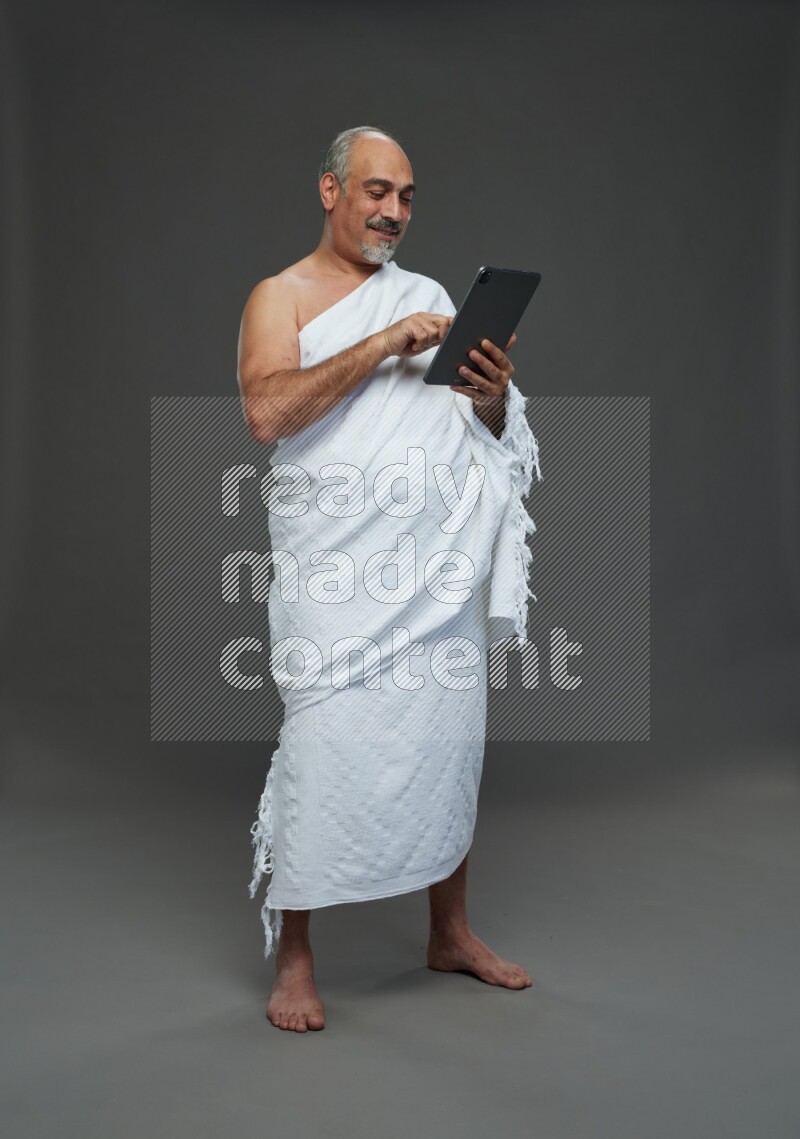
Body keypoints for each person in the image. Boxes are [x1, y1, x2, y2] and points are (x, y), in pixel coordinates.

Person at [237, 125, 541, 1032]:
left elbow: (478, 432)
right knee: (320, 744)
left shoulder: (432, 298)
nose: (393, 212)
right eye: (376, 192)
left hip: (429, 573)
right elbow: (266, 411)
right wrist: (381, 345)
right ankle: (295, 954)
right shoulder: (278, 296)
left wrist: (489, 391)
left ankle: (449, 930)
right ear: (329, 191)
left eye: (406, 198)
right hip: (336, 577)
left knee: (445, 735)